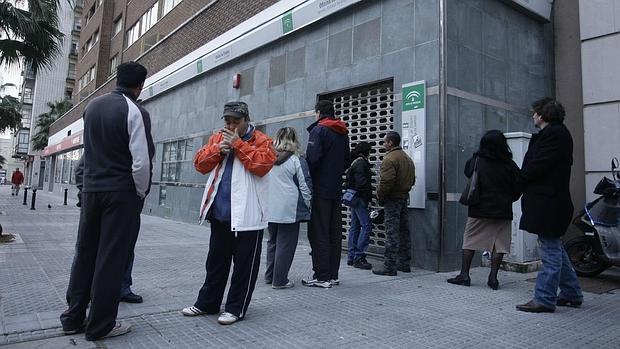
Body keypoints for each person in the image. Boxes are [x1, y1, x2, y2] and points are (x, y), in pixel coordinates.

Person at [60, 62, 154, 340]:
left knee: (85, 254)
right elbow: (141, 162)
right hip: (120, 193)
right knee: (111, 259)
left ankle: (73, 317)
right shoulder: (136, 111)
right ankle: (101, 324)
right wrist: (140, 193)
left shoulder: (93, 107)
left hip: (91, 191)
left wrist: (84, 187)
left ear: (117, 79)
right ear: (139, 86)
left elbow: (87, 153)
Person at [182, 101, 276, 325]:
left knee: (245, 265)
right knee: (215, 261)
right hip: (220, 212)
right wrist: (218, 150)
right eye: (228, 121)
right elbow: (199, 164)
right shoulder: (217, 138)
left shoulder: (263, 140)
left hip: (248, 217)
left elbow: (262, 166)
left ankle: (236, 308)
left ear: (247, 120)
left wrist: (239, 146)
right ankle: (207, 303)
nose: (231, 125)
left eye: (236, 121)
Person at [516, 98, 583, 313]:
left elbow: (537, 166)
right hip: (550, 201)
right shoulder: (556, 133)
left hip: (549, 203)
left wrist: (517, 179)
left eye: (535, 113)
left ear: (543, 116)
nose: (533, 116)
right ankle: (572, 294)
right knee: (555, 248)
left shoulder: (554, 135)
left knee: (550, 252)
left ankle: (544, 299)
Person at [447, 130, 521, 290]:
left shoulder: (477, 161)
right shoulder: (509, 164)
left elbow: (468, 173)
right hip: (503, 210)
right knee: (499, 245)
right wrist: (509, 198)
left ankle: (464, 275)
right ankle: (493, 278)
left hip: (479, 208)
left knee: (470, 241)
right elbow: (519, 184)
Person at [75, 156, 143, 304]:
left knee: (126, 249)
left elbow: (142, 170)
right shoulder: (102, 142)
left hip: (127, 206)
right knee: (95, 250)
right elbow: (80, 170)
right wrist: (87, 194)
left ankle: (122, 288)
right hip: (100, 206)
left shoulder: (129, 147)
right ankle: (92, 293)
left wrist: (137, 196)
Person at [302, 100, 350, 288]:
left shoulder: (319, 130)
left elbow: (312, 159)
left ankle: (321, 276)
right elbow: (347, 160)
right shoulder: (342, 132)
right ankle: (333, 274)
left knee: (319, 231)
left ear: (319, 112)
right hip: (336, 189)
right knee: (334, 231)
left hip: (320, 189)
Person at [265, 127, 312, 289]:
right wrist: (308, 205)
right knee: (286, 244)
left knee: (272, 242)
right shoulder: (297, 160)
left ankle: (270, 276)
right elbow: (305, 186)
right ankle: (280, 280)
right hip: (290, 209)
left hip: (270, 207)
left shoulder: (267, 158)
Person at [373, 131, 415, 276]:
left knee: (391, 233)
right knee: (404, 231)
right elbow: (412, 180)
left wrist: (380, 196)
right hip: (403, 198)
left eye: (385, 141)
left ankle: (389, 266)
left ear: (390, 143)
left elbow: (386, 182)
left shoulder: (389, 159)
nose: (383, 144)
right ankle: (404, 263)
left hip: (392, 199)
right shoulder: (407, 159)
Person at [345, 141, 373, 270]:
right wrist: (369, 199)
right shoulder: (361, 163)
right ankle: (359, 256)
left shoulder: (355, 162)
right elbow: (362, 183)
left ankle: (351, 256)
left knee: (355, 226)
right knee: (366, 225)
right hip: (360, 198)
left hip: (354, 198)